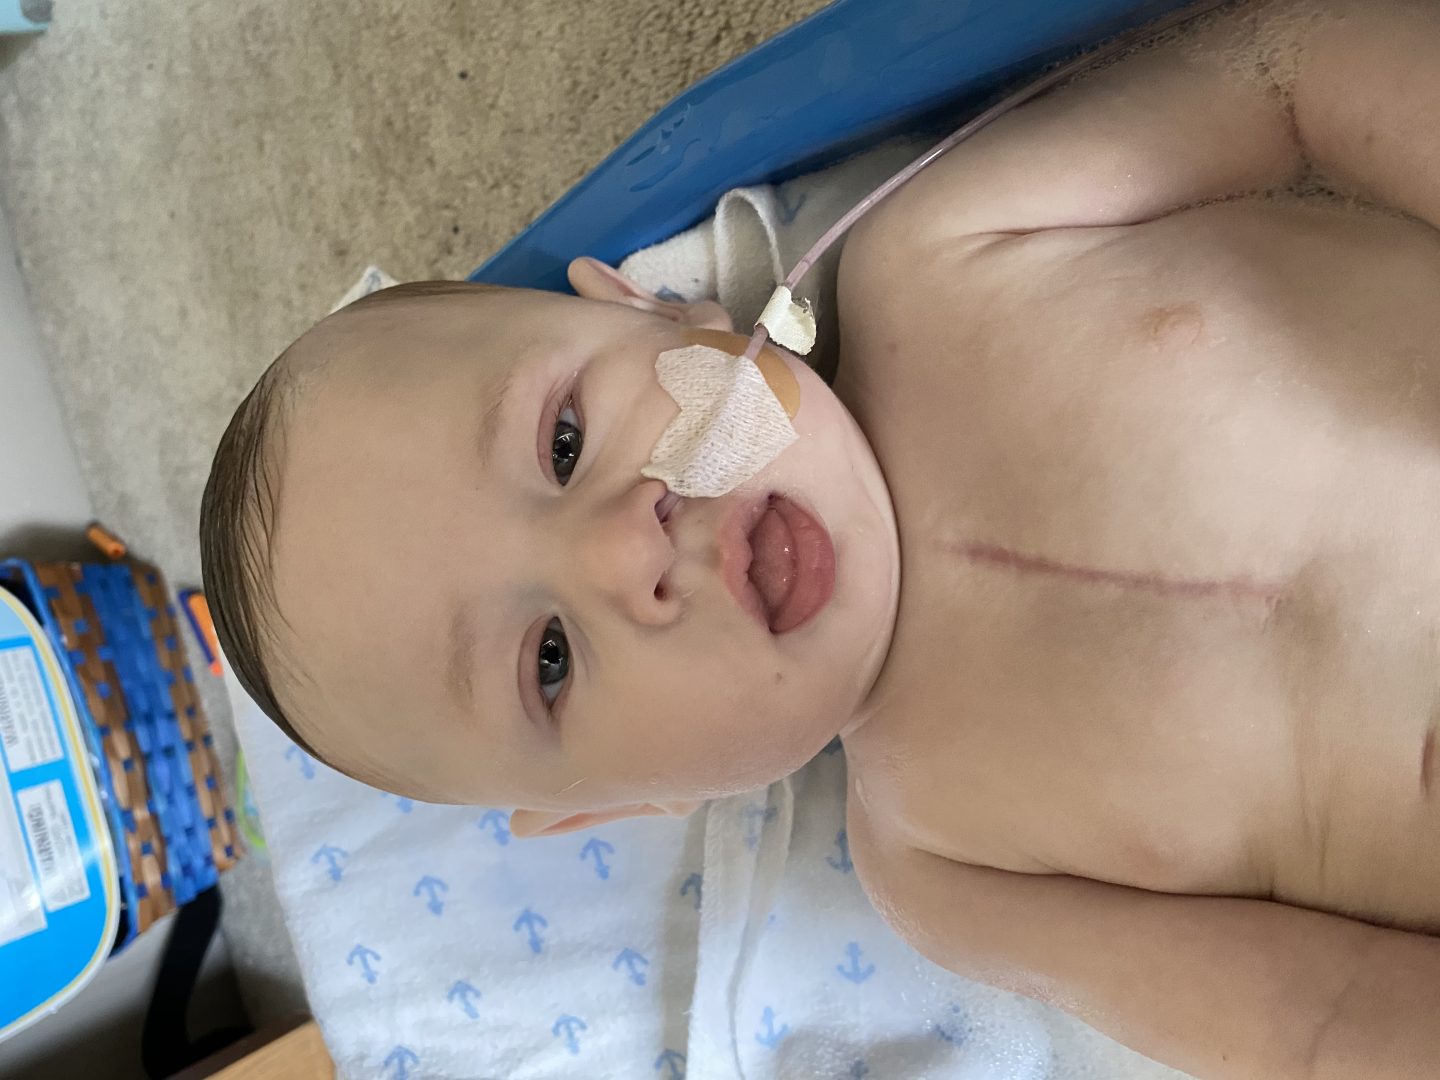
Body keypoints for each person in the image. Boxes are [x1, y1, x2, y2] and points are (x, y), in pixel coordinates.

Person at [200, 2, 1440, 1073]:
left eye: (564, 441)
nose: (623, 551)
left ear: (650, 310)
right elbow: (1313, 1024)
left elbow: (1285, 68)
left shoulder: (944, 251)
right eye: (551, 662)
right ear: (638, 801)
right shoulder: (942, 867)